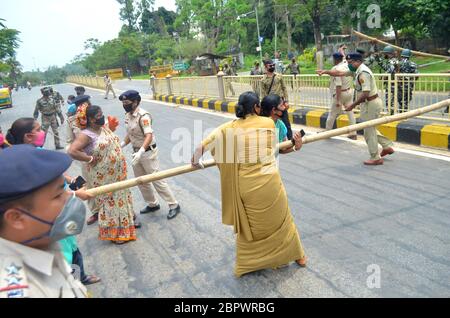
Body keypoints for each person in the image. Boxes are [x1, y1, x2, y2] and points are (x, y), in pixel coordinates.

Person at [191, 92, 307, 277]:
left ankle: (248, 263)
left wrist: (195, 162)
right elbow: (279, 148)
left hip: (247, 189)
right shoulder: (268, 124)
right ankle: (297, 256)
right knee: (283, 222)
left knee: (251, 229)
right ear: (256, 108)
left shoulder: (228, 128)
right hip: (270, 184)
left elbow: (200, 149)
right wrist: (296, 145)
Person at [4, 118, 101, 286]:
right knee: (66, 256)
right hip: (53, 230)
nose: (43, 132)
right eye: (39, 129)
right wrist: (75, 194)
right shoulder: (23, 165)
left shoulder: (36, 155)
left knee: (72, 249)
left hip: (57, 228)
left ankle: (79, 279)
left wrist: (70, 182)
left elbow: (55, 183)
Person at [0, 145, 89, 298]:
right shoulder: (21, 291)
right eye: (58, 195)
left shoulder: (42, 244)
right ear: (16, 219)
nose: (70, 198)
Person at [68, 105, 138, 244]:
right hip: (103, 177)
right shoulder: (86, 135)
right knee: (110, 203)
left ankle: (125, 226)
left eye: (101, 114)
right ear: (90, 119)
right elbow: (72, 151)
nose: (101, 117)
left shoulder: (102, 129)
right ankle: (115, 234)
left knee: (122, 199)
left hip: (118, 174)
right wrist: (90, 159)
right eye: (98, 116)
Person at [317, 52, 395, 166]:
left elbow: (365, 93)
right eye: (348, 62)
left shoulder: (363, 73)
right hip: (368, 103)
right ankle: (387, 146)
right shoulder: (356, 70)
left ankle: (375, 157)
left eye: (350, 63)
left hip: (371, 103)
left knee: (368, 131)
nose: (349, 65)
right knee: (370, 128)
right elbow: (340, 73)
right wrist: (326, 72)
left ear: (358, 61)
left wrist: (353, 105)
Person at [119, 90, 181, 220]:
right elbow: (130, 134)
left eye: (127, 102)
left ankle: (173, 204)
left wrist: (141, 151)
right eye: (123, 103)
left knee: (156, 179)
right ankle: (152, 204)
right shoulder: (128, 115)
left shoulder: (143, 116)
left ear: (135, 102)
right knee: (141, 181)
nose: (125, 105)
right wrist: (122, 145)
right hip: (136, 152)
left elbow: (148, 135)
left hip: (147, 152)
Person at [325, 52, 357, 140]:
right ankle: (353, 133)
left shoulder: (336, 69)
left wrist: (338, 100)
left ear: (335, 59)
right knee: (350, 113)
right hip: (349, 91)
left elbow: (338, 85)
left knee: (332, 113)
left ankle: (327, 132)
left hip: (340, 93)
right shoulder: (346, 65)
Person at [261, 60, 292, 139]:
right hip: (271, 106)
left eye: (273, 65)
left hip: (280, 103)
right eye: (270, 65)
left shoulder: (279, 76)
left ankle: (291, 140)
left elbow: (284, 88)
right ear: (265, 67)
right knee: (272, 123)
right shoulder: (263, 80)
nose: (272, 67)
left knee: (286, 122)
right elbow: (263, 95)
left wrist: (287, 101)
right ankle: (274, 140)